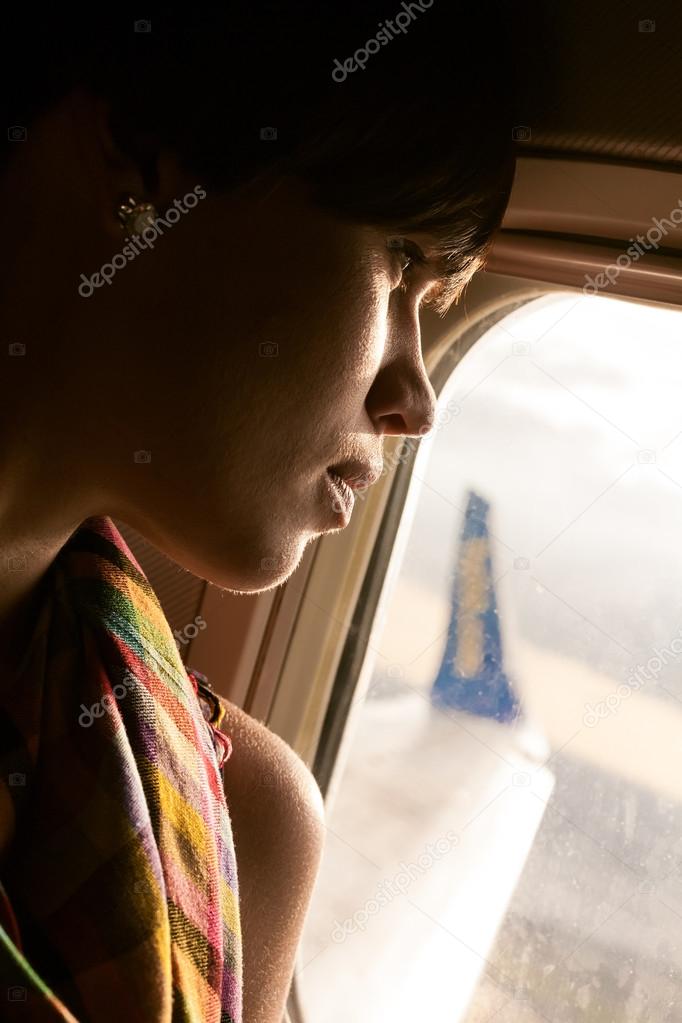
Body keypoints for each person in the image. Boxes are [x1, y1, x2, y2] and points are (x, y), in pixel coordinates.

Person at [0, 3, 545, 1020]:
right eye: (400, 263)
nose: (414, 402)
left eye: (434, 311)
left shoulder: (247, 821)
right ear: (141, 156)